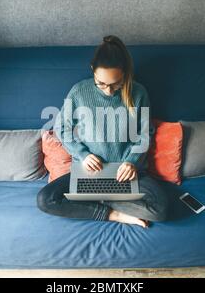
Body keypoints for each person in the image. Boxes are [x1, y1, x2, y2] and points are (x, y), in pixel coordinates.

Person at [37, 35, 173, 228]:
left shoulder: (139, 93)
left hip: (125, 172)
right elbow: (61, 128)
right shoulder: (79, 92)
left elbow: (145, 134)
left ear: (125, 74)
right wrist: (83, 155)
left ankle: (97, 200)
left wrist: (131, 162)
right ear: (93, 71)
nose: (108, 91)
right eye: (101, 83)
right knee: (45, 199)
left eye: (116, 83)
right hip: (89, 172)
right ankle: (114, 213)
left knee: (161, 209)